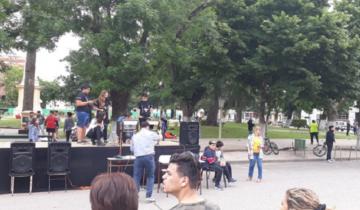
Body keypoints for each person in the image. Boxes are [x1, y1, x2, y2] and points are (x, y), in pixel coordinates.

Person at [130, 121, 161, 202]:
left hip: (138, 157)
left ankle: (135, 196)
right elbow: (159, 137)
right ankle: (148, 196)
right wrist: (159, 131)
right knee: (150, 176)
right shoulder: (151, 133)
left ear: (140, 127)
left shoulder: (135, 136)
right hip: (148, 156)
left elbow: (131, 149)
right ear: (147, 126)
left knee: (136, 176)